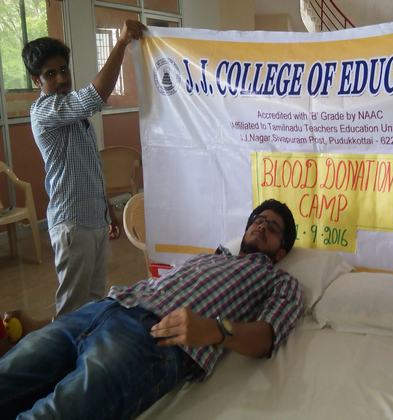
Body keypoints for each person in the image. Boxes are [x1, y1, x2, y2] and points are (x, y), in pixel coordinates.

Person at [0, 199, 304, 419]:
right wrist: (42, 323)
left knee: (54, 414)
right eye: (258, 220)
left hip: (151, 339)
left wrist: (216, 331)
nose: (261, 226)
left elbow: (267, 337)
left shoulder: (280, 281)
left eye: (272, 227)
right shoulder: (211, 257)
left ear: (281, 251)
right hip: (105, 307)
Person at [21, 20, 146, 317]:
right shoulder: (44, 111)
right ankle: (60, 348)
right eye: (50, 74)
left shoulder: (75, 116)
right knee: (72, 308)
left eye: (63, 70)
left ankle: (86, 344)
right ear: (37, 80)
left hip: (94, 220)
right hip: (72, 223)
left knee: (94, 300)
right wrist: (121, 43)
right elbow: (94, 97)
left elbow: (91, 168)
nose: (61, 78)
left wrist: (108, 210)